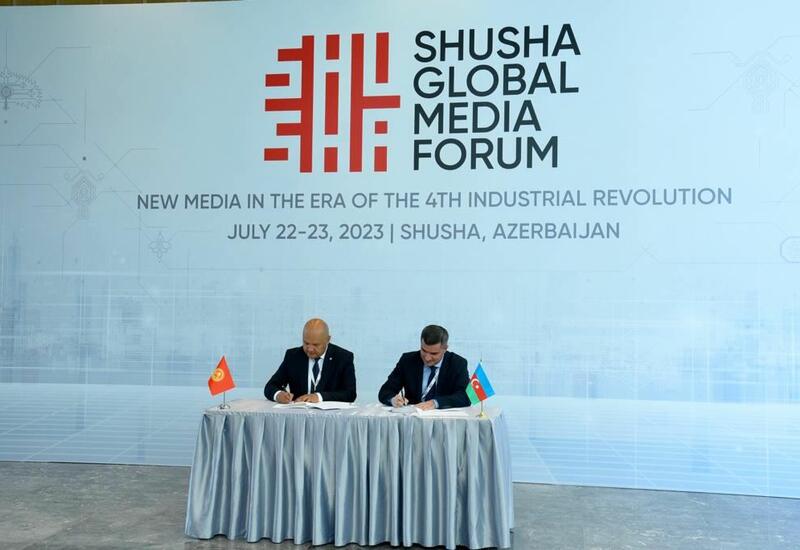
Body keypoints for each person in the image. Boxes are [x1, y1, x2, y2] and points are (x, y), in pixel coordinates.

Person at [264, 318, 356, 403]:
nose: (310, 349)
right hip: (298, 413)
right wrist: (278, 395)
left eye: (316, 345)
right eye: (306, 343)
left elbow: (350, 394)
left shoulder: (343, 358)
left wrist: (319, 397)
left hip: (331, 414)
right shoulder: (293, 356)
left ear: (328, 340)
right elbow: (270, 386)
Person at [378, 324, 470, 410]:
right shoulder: (407, 361)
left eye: (434, 353)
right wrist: (393, 399)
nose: (427, 358)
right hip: (413, 416)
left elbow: (466, 396)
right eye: (424, 350)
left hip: (443, 418)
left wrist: (435, 403)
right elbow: (385, 391)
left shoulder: (458, 363)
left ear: (445, 349)